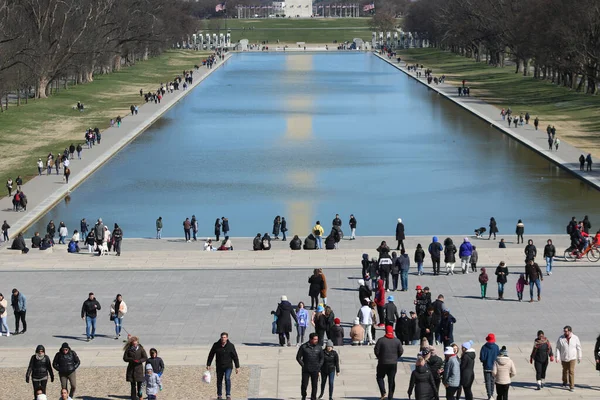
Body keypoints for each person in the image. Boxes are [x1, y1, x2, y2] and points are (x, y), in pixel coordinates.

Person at [207, 332, 240, 400]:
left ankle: (228, 394)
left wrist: (237, 367)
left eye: (224, 337)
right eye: (222, 337)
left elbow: (235, 356)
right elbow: (211, 354)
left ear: (227, 338)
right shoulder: (216, 345)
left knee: (227, 378)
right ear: (220, 338)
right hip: (219, 366)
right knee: (219, 380)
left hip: (228, 366)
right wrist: (208, 364)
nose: (223, 339)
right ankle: (219, 395)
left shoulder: (231, 346)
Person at [374, 325, 404, 400]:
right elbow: (401, 351)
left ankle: (383, 393)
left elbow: (376, 351)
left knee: (380, 377)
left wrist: (380, 357)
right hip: (393, 363)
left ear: (386, 331)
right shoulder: (397, 341)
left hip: (382, 362)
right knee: (391, 380)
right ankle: (390, 396)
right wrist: (396, 357)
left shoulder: (381, 340)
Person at [296, 333, 324, 400]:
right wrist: (303, 365)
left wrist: (319, 366)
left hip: (315, 369)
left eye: (317, 339)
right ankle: (303, 396)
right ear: (310, 339)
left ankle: (313, 398)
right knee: (304, 385)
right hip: (306, 369)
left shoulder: (319, 347)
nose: (316, 340)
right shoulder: (304, 347)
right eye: (315, 339)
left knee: (314, 385)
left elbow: (322, 358)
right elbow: (298, 357)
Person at [555, 325, 582, 392]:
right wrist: (557, 357)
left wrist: (579, 356)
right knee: (565, 370)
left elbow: (579, 347)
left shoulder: (575, 338)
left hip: (572, 357)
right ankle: (564, 381)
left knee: (571, 371)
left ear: (570, 331)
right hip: (564, 357)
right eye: (564, 331)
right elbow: (558, 348)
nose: (564, 332)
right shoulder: (561, 338)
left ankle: (571, 386)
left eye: (566, 331)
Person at [123, 336, 148, 400]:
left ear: (137, 342)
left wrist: (139, 361)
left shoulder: (141, 349)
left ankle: (140, 396)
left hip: (139, 368)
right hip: (131, 369)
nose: (134, 344)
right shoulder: (128, 349)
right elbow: (125, 358)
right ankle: (133, 397)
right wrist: (131, 359)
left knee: (140, 384)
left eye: (135, 343)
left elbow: (145, 357)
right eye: (133, 343)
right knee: (133, 385)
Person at [480, 333, 500, 400]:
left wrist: (485, 361)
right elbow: (498, 357)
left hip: (486, 367)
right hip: (494, 367)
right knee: (492, 381)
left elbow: (482, 358)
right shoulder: (496, 347)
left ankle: (489, 395)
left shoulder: (484, 347)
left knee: (487, 381)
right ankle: (492, 394)